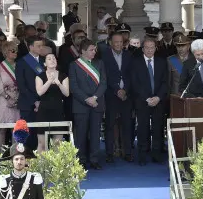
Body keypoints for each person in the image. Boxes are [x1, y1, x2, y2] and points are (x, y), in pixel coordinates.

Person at [69, 39, 107, 169]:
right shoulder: (74, 65)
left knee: (96, 133)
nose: (94, 52)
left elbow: (103, 83)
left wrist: (95, 97)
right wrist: (87, 99)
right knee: (81, 133)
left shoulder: (99, 63)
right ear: (83, 51)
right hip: (81, 105)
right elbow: (73, 87)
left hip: (97, 103)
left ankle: (94, 159)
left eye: (95, 49)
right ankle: (81, 160)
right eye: (91, 50)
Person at [130, 37, 168, 165]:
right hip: (142, 100)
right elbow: (135, 83)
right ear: (142, 49)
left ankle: (156, 154)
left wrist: (158, 97)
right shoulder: (135, 62)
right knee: (142, 127)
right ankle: (142, 154)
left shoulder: (162, 62)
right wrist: (146, 98)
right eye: (147, 47)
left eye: (152, 47)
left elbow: (165, 82)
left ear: (155, 48)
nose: (150, 50)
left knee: (157, 127)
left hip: (158, 100)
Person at [102, 32, 134, 162]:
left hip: (126, 96)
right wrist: (117, 90)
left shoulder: (129, 55)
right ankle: (109, 153)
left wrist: (125, 90)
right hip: (111, 95)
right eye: (116, 42)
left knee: (127, 125)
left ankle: (127, 153)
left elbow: (132, 75)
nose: (119, 44)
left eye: (121, 42)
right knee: (109, 125)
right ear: (111, 43)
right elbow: (105, 76)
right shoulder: (104, 56)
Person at [0, 41, 21, 153]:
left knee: (15, 128)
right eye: (13, 50)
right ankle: (2, 156)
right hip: (3, 99)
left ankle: (14, 155)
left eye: (16, 50)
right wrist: (7, 97)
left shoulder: (19, 65)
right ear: (6, 52)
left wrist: (16, 97)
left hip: (16, 98)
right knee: (2, 129)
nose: (15, 52)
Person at [35, 53, 69, 152]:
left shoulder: (63, 76)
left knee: (57, 143)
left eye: (54, 58)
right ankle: (41, 166)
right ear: (45, 63)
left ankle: (56, 167)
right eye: (49, 59)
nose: (52, 60)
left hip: (58, 111)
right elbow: (40, 92)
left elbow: (66, 93)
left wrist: (58, 82)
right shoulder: (40, 76)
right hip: (44, 111)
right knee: (42, 143)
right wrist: (49, 81)